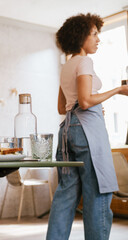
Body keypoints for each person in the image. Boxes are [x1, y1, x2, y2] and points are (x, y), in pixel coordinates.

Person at [46, 13, 128, 240]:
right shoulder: (84, 62)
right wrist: (118, 91)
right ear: (80, 36)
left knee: (65, 195)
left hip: (67, 131)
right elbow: (84, 101)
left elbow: (63, 107)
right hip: (87, 131)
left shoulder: (66, 65)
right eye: (93, 34)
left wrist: (92, 104)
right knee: (98, 191)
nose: (98, 39)